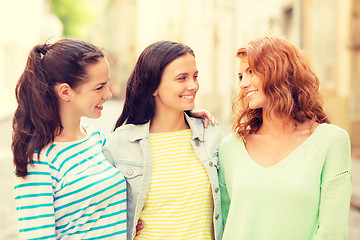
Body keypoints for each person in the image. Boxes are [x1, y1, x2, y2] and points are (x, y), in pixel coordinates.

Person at [219, 35, 352, 239]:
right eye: (240, 76)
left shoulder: (331, 141)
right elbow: (224, 223)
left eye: (251, 71)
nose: (243, 83)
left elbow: (333, 231)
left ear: (280, 72)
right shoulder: (230, 147)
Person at [103, 40, 223, 240]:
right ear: (153, 86)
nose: (193, 85)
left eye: (195, 76)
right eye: (181, 78)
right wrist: (124, 222)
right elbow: (101, 210)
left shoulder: (210, 135)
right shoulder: (121, 143)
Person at [12, 38, 127, 239]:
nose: (108, 94)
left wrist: (190, 119)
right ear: (65, 92)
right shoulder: (39, 161)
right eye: (99, 87)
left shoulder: (96, 139)